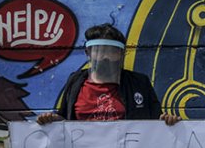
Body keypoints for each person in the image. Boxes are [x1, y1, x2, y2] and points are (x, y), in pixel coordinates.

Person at [36, 23, 180, 125]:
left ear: (121, 54)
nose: (105, 57)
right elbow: (64, 119)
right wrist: (52, 121)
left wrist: (168, 122)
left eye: (112, 51)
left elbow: (156, 121)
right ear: (88, 52)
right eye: (99, 50)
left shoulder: (139, 83)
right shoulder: (75, 81)